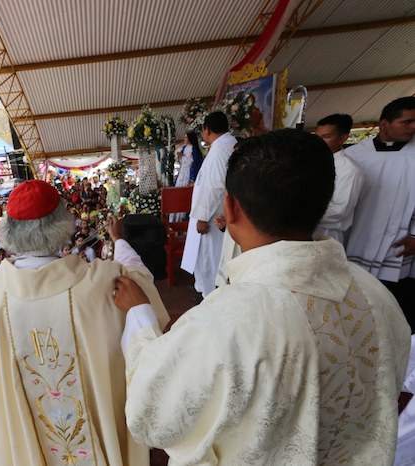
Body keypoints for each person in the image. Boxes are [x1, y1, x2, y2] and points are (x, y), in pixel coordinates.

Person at [116, 129, 411, 464]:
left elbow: (152, 416)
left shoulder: (225, 322)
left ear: (230, 207)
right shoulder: (377, 295)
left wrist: (140, 316)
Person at [0, 180, 168, 465]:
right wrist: (119, 240)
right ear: (64, 224)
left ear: (8, 231)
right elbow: (142, 285)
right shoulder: (102, 281)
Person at [345, 96, 415, 324]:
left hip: (400, 243)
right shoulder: (354, 155)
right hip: (358, 236)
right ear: (384, 124)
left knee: (394, 308)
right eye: (407, 122)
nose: (413, 127)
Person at [186, 111, 237, 298]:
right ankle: (208, 291)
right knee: (211, 257)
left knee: (210, 257)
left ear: (207, 129)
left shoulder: (219, 150)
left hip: (213, 217)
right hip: (220, 213)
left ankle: (209, 296)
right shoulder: (226, 145)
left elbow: (214, 186)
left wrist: (202, 216)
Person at [313, 113, 364, 243]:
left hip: (326, 234)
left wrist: (296, 213)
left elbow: (338, 211)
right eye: (316, 137)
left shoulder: (350, 170)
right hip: (304, 229)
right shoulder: (311, 161)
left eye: (326, 137)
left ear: (342, 138)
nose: (318, 142)